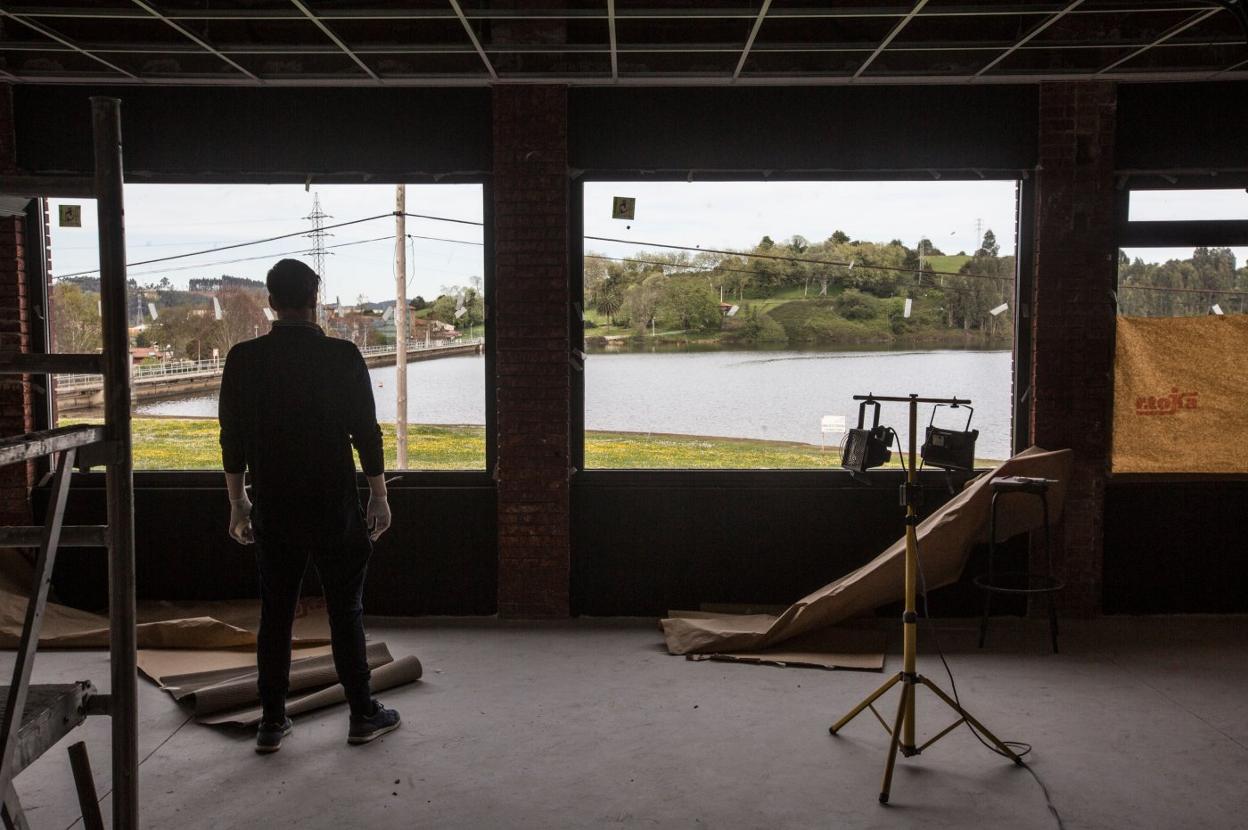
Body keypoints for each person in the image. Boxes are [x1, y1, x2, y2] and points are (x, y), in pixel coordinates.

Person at [219, 258, 400, 754]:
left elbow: (231, 440)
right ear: (314, 300)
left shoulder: (243, 359)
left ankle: (272, 723)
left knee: (275, 613)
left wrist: (238, 503)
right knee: (346, 611)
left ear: (271, 302)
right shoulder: (342, 357)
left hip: (274, 506)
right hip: (334, 504)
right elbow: (367, 434)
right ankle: (363, 713)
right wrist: (379, 496)